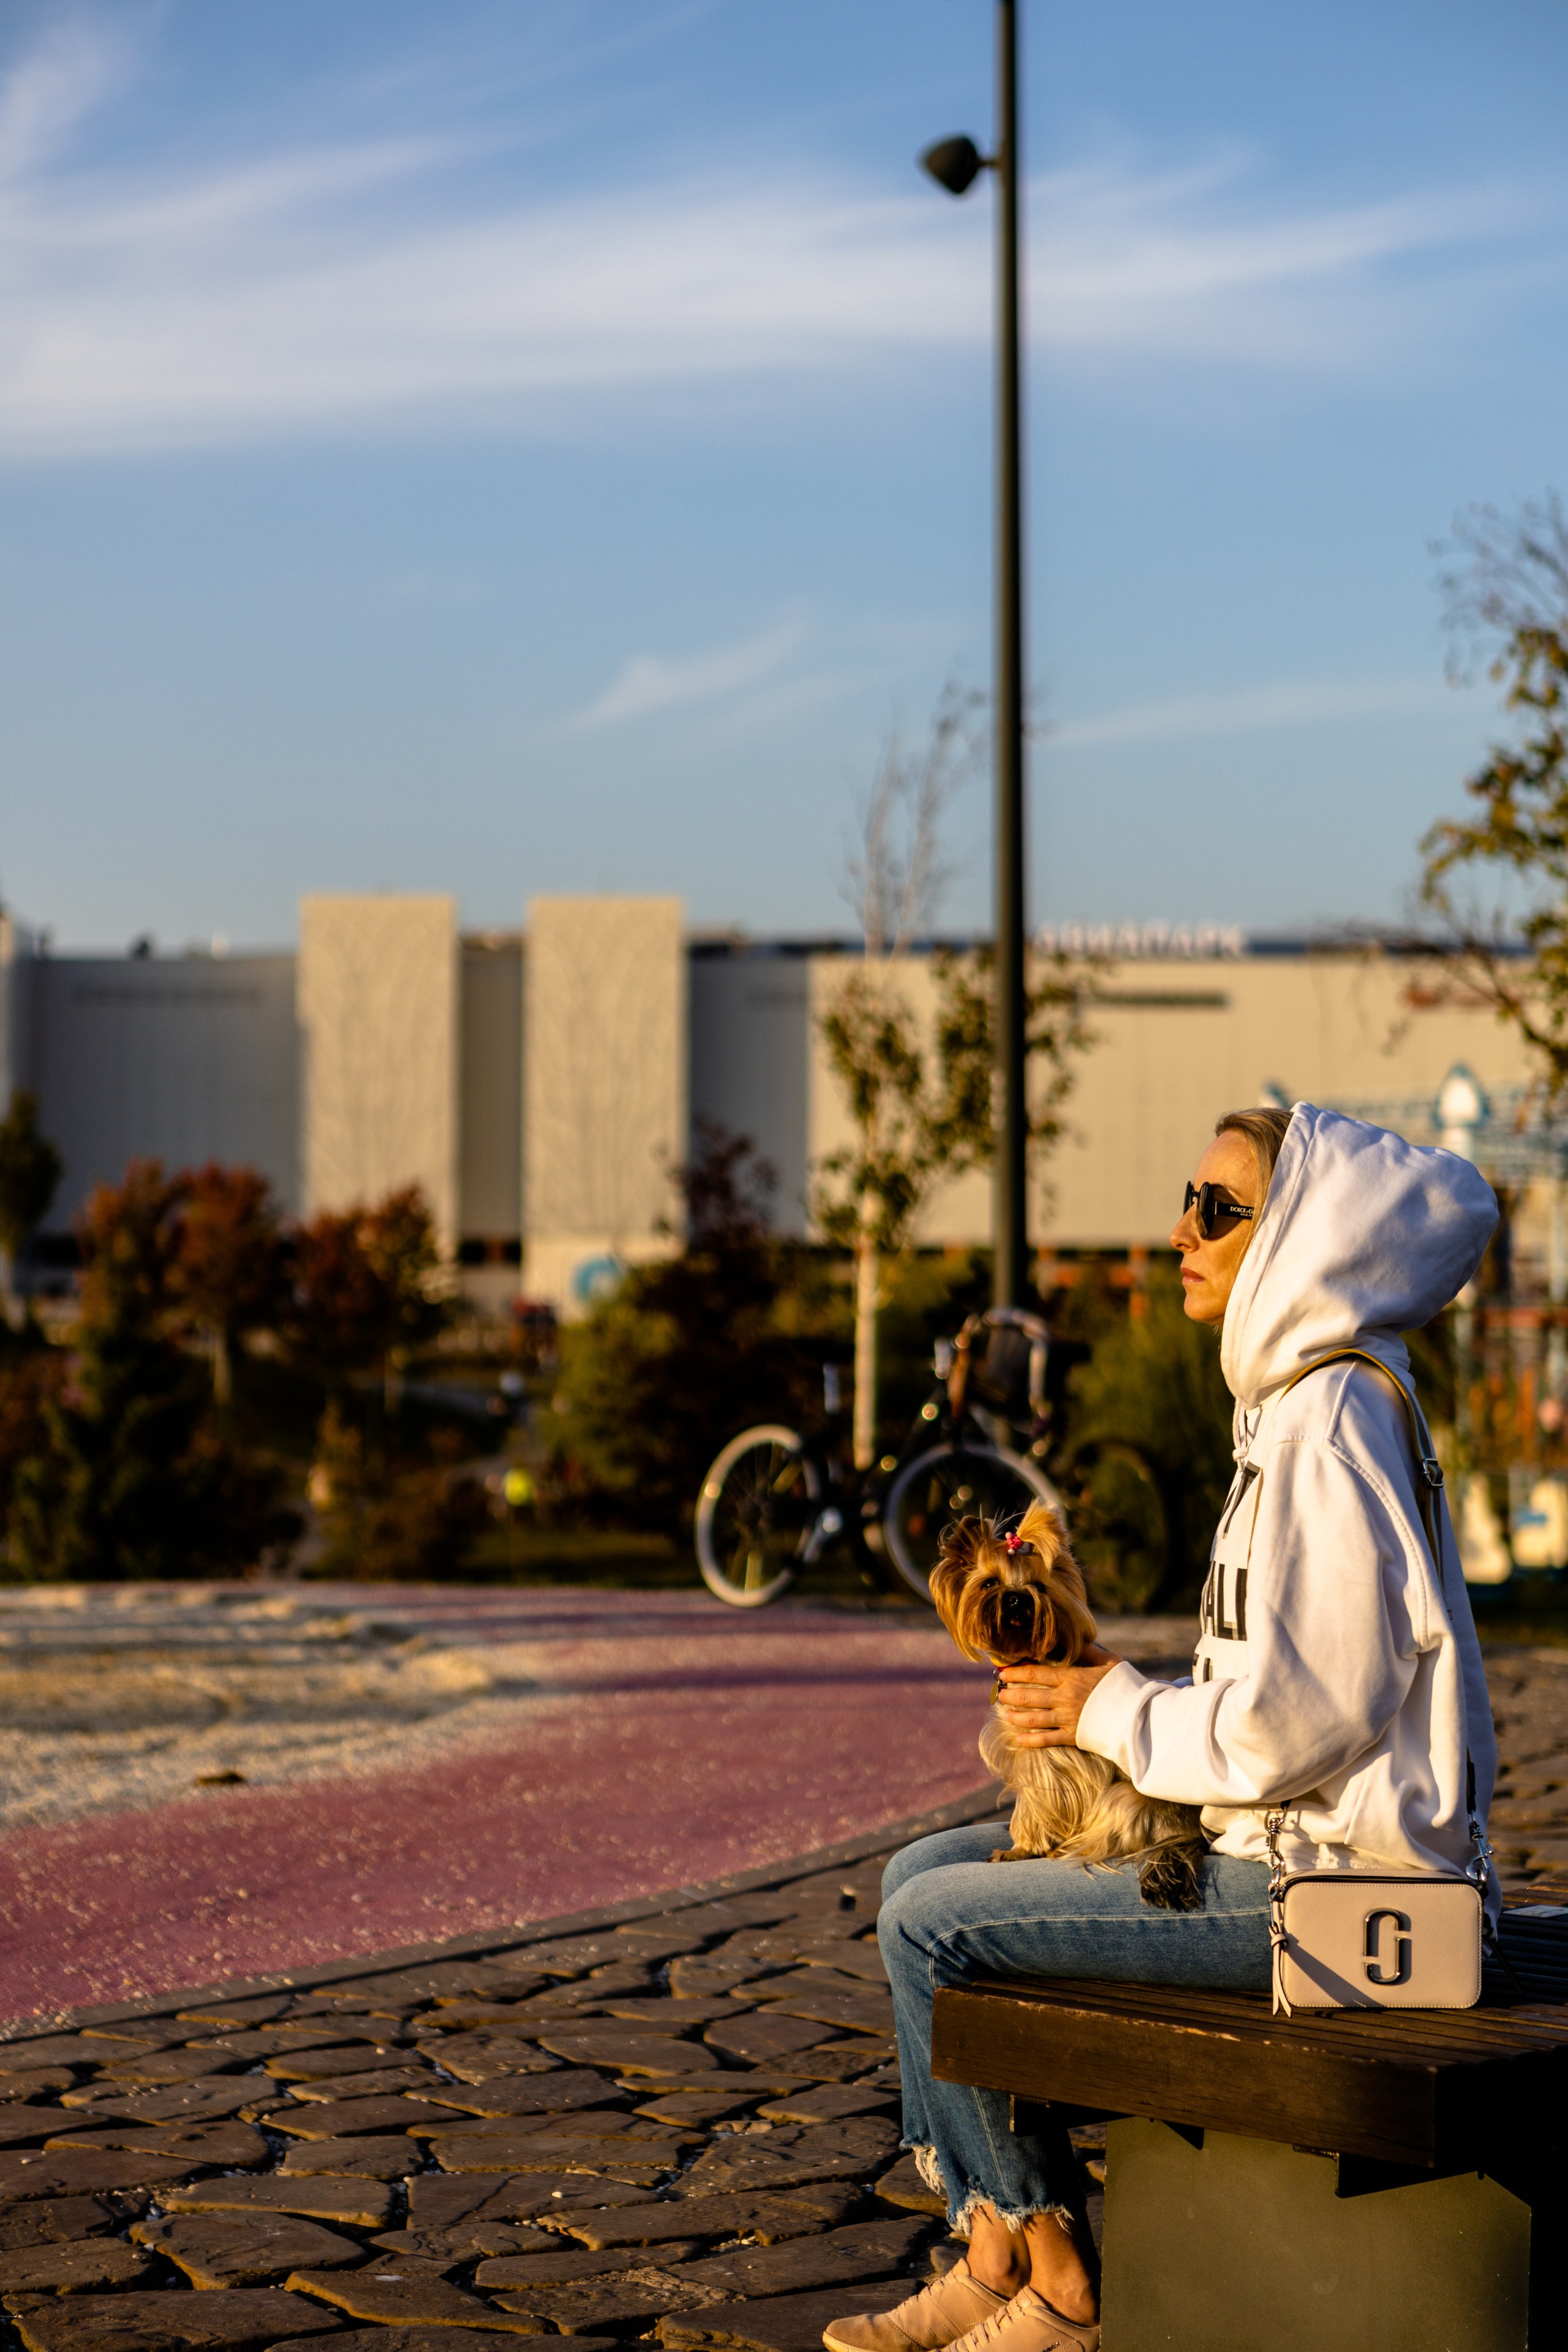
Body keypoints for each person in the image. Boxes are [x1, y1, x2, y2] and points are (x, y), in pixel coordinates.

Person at [823, 1103, 1499, 2352]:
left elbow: (1302, 1720)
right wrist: (1122, 1703)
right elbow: (1279, 1682)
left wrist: (1110, 1708)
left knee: (930, 1923)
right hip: (1276, 1852)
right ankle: (990, 2245)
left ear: (1299, 1234)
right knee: (916, 1873)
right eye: (1186, 1202)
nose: (1179, 1231)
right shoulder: (1295, 1407)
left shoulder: (1327, 1426)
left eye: (1216, 1209)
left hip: (1324, 1895)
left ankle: (1055, 2279)